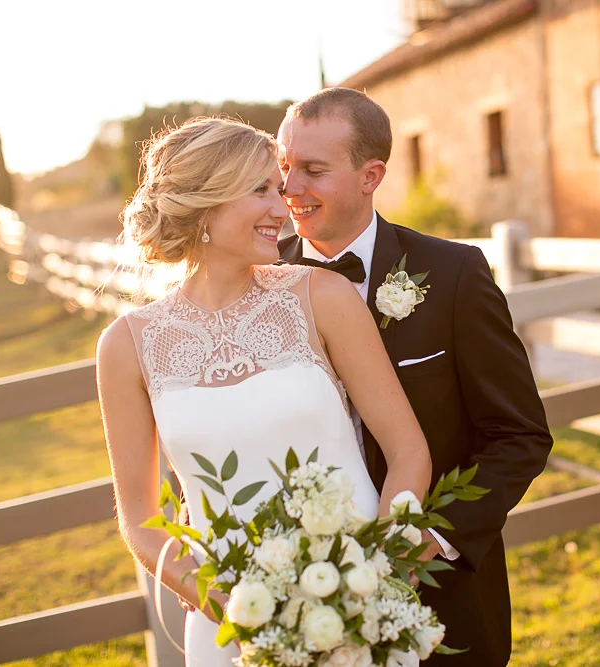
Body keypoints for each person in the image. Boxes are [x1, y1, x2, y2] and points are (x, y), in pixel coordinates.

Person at [96, 116, 431, 667]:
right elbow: (137, 520)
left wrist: (373, 575)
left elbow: (408, 452)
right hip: (233, 625)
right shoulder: (126, 346)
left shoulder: (322, 297)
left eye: (279, 188)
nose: (284, 208)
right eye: (261, 190)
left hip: (354, 605)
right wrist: (226, 600)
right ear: (205, 204)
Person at [276, 88, 553, 667]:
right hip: (299, 592)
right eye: (283, 166)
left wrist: (431, 539)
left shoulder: (453, 274)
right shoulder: (257, 280)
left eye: (313, 170)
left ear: (370, 175)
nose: (290, 188)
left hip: (440, 598)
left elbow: (518, 434)